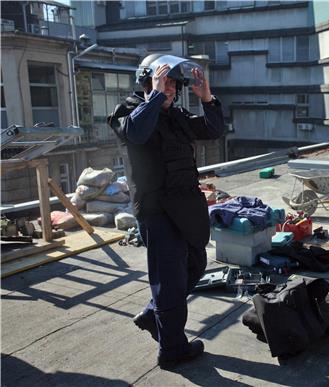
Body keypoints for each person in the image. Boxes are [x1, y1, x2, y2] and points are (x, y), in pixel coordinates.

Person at [107, 54, 224, 368]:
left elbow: (213, 130)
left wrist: (207, 98)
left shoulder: (176, 114)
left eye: (174, 83)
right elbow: (136, 133)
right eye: (163, 81)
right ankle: (172, 350)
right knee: (169, 281)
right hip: (157, 210)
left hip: (185, 206)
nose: (170, 88)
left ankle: (151, 315)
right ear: (147, 81)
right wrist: (156, 95)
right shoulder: (129, 110)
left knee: (195, 265)